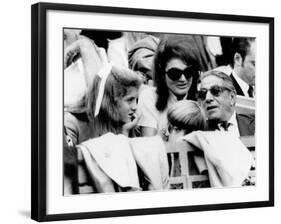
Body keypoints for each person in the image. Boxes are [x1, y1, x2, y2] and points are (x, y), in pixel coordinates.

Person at [137, 35, 202, 140]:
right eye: (175, 73)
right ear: (162, 74)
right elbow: (150, 147)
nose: (183, 79)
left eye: (188, 72)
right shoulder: (150, 97)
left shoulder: (202, 97)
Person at [198, 70, 255, 137]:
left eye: (215, 91)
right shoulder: (198, 131)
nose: (208, 98)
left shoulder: (257, 125)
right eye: (203, 93)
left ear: (232, 97)